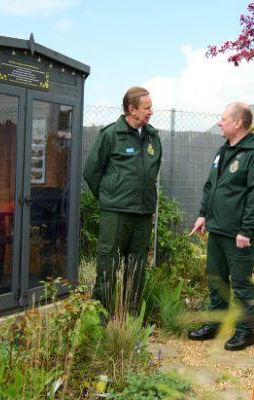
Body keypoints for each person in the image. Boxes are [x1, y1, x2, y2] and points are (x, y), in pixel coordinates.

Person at [188, 102, 254, 351]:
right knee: (216, 280)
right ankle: (214, 324)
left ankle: (246, 332)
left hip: (238, 234)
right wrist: (204, 215)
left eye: (223, 118)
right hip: (217, 227)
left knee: (241, 284)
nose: (219, 122)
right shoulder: (223, 151)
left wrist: (246, 230)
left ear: (238, 122)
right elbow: (210, 186)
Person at [83, 87, 161, 315]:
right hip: (116, 214)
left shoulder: (152, 136)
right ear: (132, 109)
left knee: (137, 269)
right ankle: (101, 319)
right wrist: (109, 198)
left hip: (143, 214)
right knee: (108, 265)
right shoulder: (111, 135)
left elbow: (152, 171)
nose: (151, 112)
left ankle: (131, 319)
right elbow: (91, 172)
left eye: (151, 107)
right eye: (147, 108)